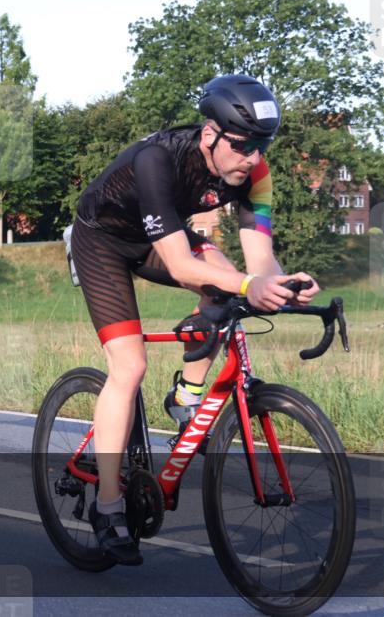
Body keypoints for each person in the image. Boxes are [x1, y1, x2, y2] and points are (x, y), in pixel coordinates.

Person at [68, 74, 319, 565]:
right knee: (130, 366)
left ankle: (186, 396)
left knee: (227, 286)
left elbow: (259, 259)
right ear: (211, 135)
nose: (251, 158)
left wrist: (283, 284)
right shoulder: (156, 160)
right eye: (243, 146)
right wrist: (249, 283)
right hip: (103, 241)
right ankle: (107, 505)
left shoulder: (255, 173)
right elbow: (183, 266)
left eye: (261, 147)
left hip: (160, 238)